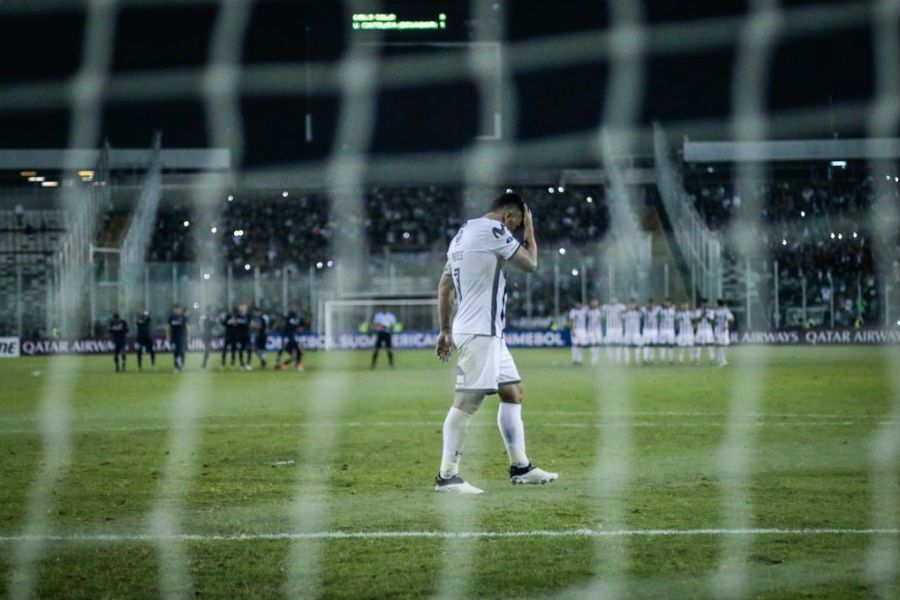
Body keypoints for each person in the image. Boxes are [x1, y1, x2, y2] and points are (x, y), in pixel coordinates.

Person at [434, 192, 558, 494]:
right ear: (508, 217)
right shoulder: (495, 230)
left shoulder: (461, 235)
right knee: (468, 401)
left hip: (482, 331)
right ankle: (447, 476)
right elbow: (530, 263)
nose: (514, 231)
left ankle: (521, 467)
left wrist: (446, 329)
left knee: (513, 392)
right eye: (516, 224)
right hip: (481, 331)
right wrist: (529, 228)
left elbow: (444, 286)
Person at [602, 297, 625, 364]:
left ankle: (617, 359)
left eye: (615, 299)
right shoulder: (606, 307)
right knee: (609, 344)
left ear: (618, 300)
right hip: (609, 328)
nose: (613, 301)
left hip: (618, 328)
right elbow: (602, 309)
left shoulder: (621, 307)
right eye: (612, 299)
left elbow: (624, 310)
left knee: (618, 343)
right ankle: (610, 359)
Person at [167, 305, 189, 372]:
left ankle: (182, 365)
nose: (177, 310)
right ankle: (176, 367)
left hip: (182, 338)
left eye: (178, 309)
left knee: (182, 352)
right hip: (174, 338)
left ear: (180, 309)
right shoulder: (171, 317)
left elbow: (188, 327)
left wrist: (188, 336)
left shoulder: (183, 317)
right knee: (175, 352)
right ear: (174, 310)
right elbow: (168, 328)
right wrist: (168, 337)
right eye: (175, 309)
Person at [713, 299, 735, 367]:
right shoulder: (715, 312)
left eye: (716, 304)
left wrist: (727, 326)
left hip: (724, 330)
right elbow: (714, 321)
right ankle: (721, 360)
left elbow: (732, 319)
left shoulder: (726, 311)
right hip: (717, 330)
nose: (715, 305)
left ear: (718, 304)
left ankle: (722, 360)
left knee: (724, 345)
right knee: (719, 345)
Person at [694, 299, 716, 364]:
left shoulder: (711, 311)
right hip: (700, 329)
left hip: (708, 330)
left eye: (706, 303)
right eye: (704, 303)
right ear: (701, 304)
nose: (705, 305)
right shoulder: (698, 311)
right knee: (698, 344)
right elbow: (697, 320)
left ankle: (712, 359)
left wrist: (707, 315)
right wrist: (702, 314)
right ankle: (697, 359)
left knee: (710, 344)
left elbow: (711, 321)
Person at [622, 301, 643, 366]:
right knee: (626, 347)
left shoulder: (638, 313)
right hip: (628, 332)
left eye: (634, 305)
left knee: (637, 347)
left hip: (636, 332)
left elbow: (642, 313)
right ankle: (626, 361)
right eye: (631, 305)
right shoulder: (626, 313)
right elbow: (622, 316)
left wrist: (638, 308)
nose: (632, 306)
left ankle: (637, 361)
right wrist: (626, 310)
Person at [657, 298, 677, 363]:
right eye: (665, 302)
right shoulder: (661, 309)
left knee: (671, 345)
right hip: (662, 329)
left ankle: (671, 359)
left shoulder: (672, 310)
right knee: (662, 344)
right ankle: (662, 359)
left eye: (668, 302)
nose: (667, 304)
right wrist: (661, 305)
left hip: (670, 330)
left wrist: (672, 307)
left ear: (670, 303)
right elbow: (657, 308)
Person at [641, 299, 659, 363]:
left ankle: (651, 358)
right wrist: (647, 306)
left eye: (652, 304)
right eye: (649, 304)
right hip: (646, 329)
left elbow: (661, 306)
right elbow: (640, 308)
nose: (651, 305)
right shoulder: (644, 310)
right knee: (646, 344)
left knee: (652, 344)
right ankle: (645, 359)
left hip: (654, 329)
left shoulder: (656, 310)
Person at [587, 298, 604, 366]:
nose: (594, 304)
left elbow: (602, 316)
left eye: (596, 302)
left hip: (598, 330)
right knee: (593, 344)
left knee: (598, 344)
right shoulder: (588, 311)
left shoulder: (599, 311)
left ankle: (596, 360)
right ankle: (593, 361)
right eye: (593, 302)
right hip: (591, 330)